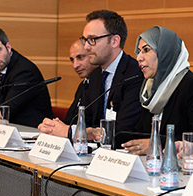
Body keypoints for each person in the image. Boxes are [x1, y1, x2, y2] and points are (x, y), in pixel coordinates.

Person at [40, 10, 143, 142]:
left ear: (114, 41)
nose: (87, 47)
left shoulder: (135, 74)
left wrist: (71, 131)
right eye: (85, 40)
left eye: (92, 40)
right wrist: (54, 127)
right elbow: (83, 119)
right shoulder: (95, 75)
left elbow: (123, 129)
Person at [121, 26, 193, 154]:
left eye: (146, 50)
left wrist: (158, 144)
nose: (139, 58)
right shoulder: (149, 88)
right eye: (139, 51)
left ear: (165, 52)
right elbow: (141, 134)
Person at [0, 27, 54, 128]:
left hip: (33, 132)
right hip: (11, 130)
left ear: (8, 47)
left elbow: (4, 113)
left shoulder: (24, 71)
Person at [37, 40, 99, 133]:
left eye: (80, 57)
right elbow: (71, 121)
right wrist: (55, 126)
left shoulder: (102, 85)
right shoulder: (84, 85)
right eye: (72, 60)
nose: (75, 65)